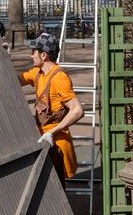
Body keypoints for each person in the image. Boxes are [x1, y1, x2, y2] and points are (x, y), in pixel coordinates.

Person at [18, 32, 84, 186]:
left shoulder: (59, 78)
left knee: (55, 193)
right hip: (43, 141)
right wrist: (3, 55)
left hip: (56, 146)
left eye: (33, 52)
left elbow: (77, 110)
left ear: (44, 55)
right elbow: (13, 79)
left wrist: (51, 133)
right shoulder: (38, 73)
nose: (31, 56)